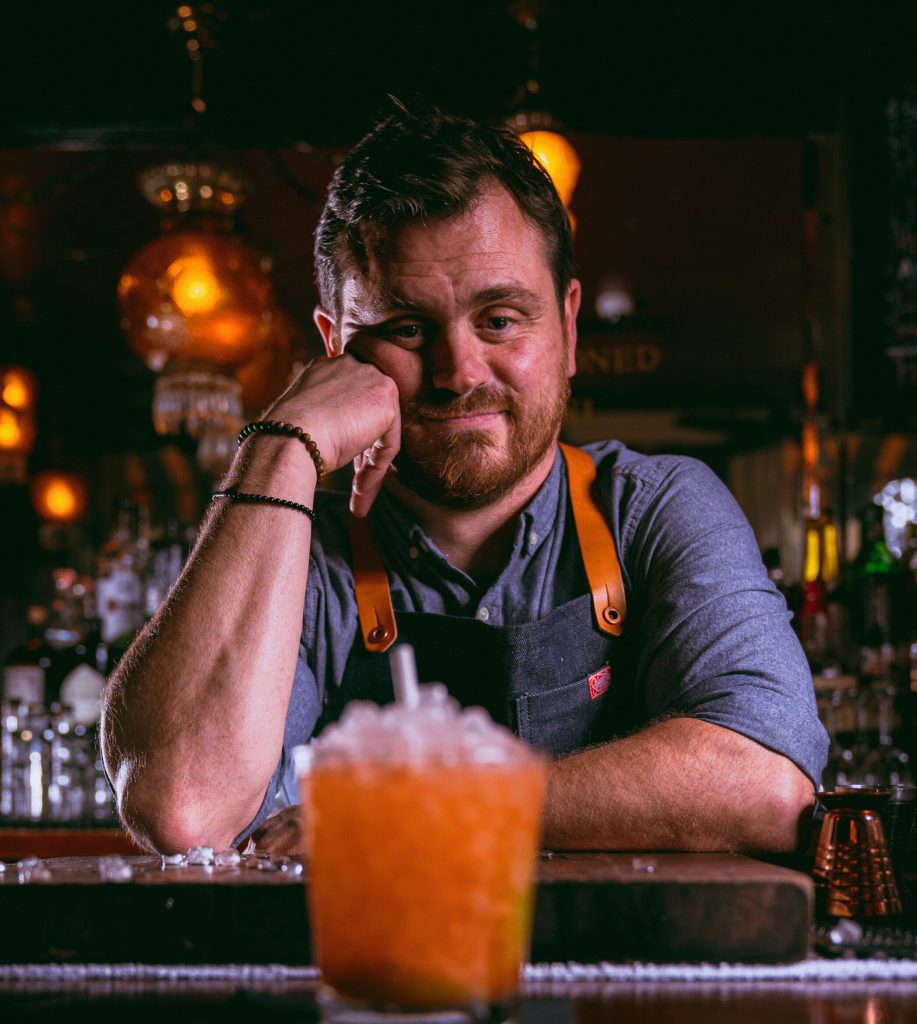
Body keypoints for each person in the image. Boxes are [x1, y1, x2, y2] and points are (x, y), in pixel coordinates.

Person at [101, 105, 827, 857]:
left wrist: (418, 809)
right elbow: (184, 812)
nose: (457, 374)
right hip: (371, 974)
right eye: (406, 330)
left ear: (568, 329)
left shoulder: (656, 509)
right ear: (334, 351)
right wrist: (281, 444)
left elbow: (762, 782)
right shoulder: (298, 552)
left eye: (501, 319)